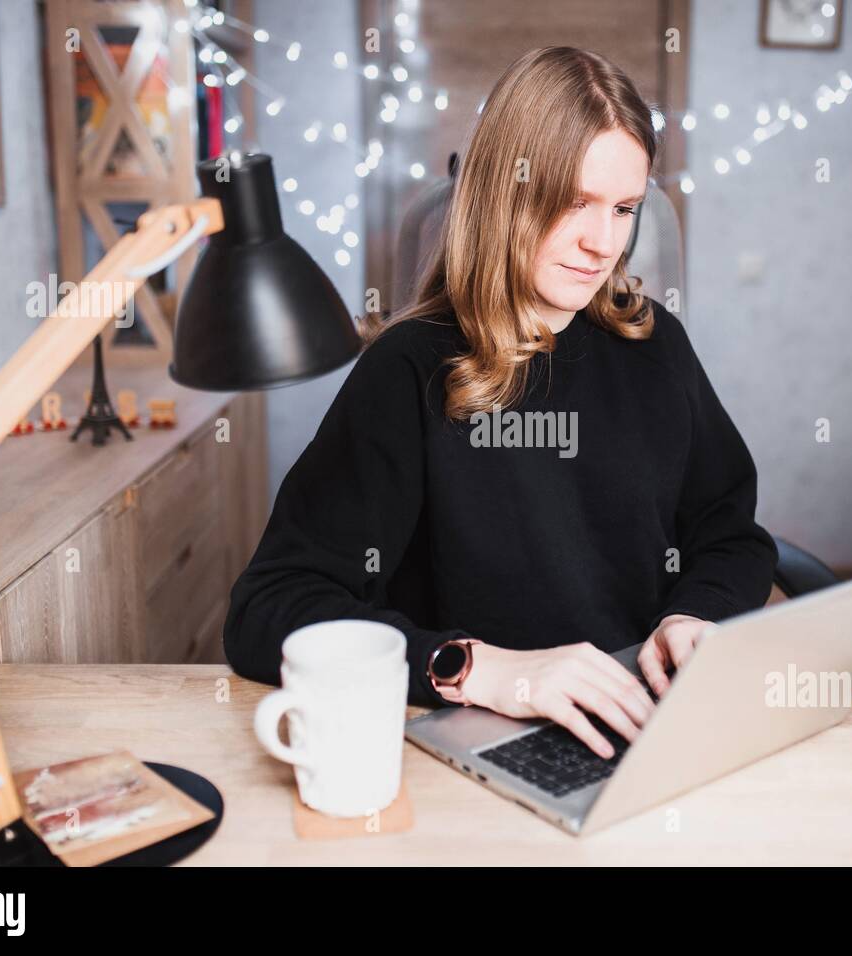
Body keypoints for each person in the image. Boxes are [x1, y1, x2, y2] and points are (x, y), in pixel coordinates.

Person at [224, 46, 777, 759]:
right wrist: (474, 668)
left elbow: (729, 535)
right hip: (481, 742)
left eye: (624, 208)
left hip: (644, 727)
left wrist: (695, 614)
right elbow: (268, 611)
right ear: (504, 194)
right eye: (572, 203)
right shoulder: (410, 369)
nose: (600, 243)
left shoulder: (655, 343)